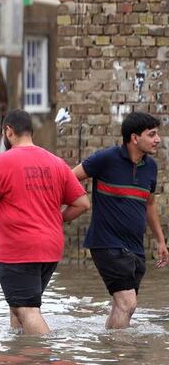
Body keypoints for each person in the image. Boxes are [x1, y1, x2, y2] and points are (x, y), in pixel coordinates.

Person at [0, 109, 90, 335]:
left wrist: (0, 208)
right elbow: (83, 203)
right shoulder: (55, 162)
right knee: (18, 306)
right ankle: (22, 353)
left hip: (20, 250)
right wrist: (58, 219)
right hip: (50, 250)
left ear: (8, 131)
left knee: (26, 310)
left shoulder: (0, 162)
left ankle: (46, 353)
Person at [73, 111, 168, 329]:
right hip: (106, 243)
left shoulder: (151, 167)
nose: (157, 139)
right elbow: (68, 178)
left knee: (121, 307)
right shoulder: (105, 159)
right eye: (152, 134)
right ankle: (123, 355)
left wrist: (161, 241)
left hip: (134, 248)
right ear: (135, 138)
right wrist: (70, 209)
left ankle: (113, 352)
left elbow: (150, 204)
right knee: (128, 303)